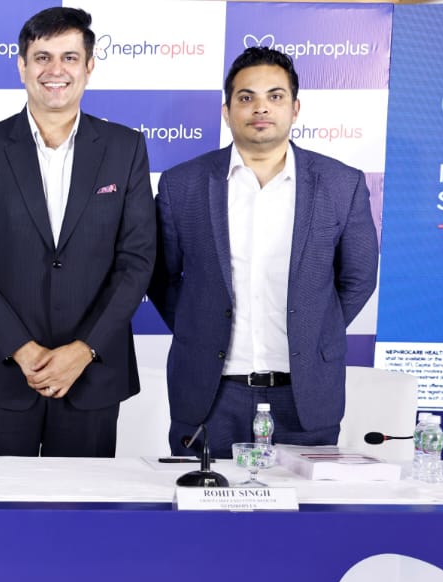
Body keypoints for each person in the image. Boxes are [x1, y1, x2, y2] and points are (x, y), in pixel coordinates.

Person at [0, 6, 155, 458]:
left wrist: (84, 349)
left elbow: (136, 261)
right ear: (22, 66)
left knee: (82, 505)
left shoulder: (125, 148)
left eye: (69, 57)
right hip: (2, 373)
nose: (55, 70)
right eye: (42, 57)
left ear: (89, 66)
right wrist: (22, 350)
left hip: (92, 376)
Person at [149, 46, 378, 456]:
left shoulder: (341, 183)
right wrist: (200, 327)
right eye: (246, 97)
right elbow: (161, 278)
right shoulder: (181, 184)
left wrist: (313, 329)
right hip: (209, 396)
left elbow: (358, 278)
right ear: (227, 111)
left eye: (275, 96)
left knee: (302, 501)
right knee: (202, 499)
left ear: (295, 108)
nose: (261, 108)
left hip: (304, 396)